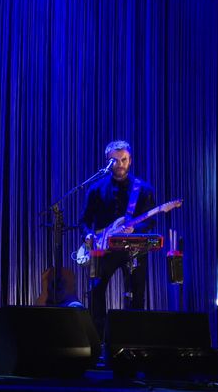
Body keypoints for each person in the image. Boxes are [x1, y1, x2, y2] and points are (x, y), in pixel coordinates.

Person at [79, 140, 156, 336]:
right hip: (103, 249)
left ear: (130, 161)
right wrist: (88, 234)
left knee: (136, 295)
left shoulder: (144, 189)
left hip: (134, 249)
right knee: (96, 292)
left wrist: (135, 228)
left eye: (124, 160)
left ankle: (134, 340)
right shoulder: (96, 189)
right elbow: (85, 220)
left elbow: (150, 222)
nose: (120, 164)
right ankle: (99, 341)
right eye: (115, 160)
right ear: (107, 161)